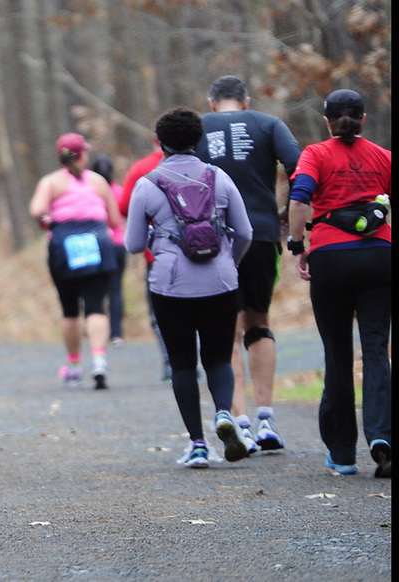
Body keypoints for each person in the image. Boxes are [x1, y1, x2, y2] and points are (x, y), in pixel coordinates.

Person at [125, 106, 253, 468]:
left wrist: (158, 236)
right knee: (218, 356)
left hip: (170, 285)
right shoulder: (220, 178)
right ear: (198, 140)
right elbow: (245, 232)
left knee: (183, 364)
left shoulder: (147, 184)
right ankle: (224, 414)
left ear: (161, 142)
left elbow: (134, 244)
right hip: (221, 280)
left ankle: (198, 445)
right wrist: (230, 262)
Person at [287, 89, 391, 478]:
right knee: (377, 349)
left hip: (330, 257)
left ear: (327, 121)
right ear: (363, 119)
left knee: (337, 354)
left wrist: (298, 245)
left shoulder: (315, 154)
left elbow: (299, 202)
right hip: (379, 257)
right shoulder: (383, 157)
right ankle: (384, 438)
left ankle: (343, 454)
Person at [195, 75, 302, 454]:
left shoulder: (197, 128)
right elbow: (300, 169)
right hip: (259, 232)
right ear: (246, 101)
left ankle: (237, 421)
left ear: (211, 102)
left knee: (224, 328)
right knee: (258, 321)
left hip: (211, 238)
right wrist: (287, 212)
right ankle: (267, 420)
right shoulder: (268, 123)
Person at [29, 133, 121, 390]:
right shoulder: (98, 181)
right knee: (95, 306)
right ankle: (99, 360)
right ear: (83, 154)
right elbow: (114, 219)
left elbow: (37, 210)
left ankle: (75, 365)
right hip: (97, 240)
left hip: (63, 243)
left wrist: (47, 219)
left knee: (70, 309)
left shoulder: (51, 182)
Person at [119, 137, 171, 381]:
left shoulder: (141, 169)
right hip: (202, 252)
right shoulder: (204, 166)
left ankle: (171, 361)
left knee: (160, 312)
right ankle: (197, 358)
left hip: (157, 254)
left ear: (155, 140)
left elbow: (123, 206)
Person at [90, 154, 127, 346]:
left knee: (96, 290)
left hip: (97, 245)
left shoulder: (89, 192)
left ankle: (97, 333)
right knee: (115, 290)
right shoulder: (119, 191)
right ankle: (116, 334)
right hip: (118, 245)